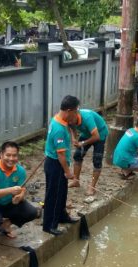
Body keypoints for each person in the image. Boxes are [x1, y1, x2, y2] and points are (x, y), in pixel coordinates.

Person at [0, 141, 38, 239]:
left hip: (8, 204)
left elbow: (22, 190)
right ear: (1, 155)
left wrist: (19, 197)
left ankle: (5, 225)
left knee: (32, 212)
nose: (11, 159)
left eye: (14, 156)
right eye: (8, 155)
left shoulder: (20, 171)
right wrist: (10, 190)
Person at [43, 95, 80, 236]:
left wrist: (72, 137)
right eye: (75, 111)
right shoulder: (58, 128)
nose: (76, 114)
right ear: (69, 110)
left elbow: (68, 128)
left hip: (55, 162)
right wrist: (68, 172)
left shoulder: (59, 119)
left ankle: (62, 216)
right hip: (56, 165)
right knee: (53, 195)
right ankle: (49, 225)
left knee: (62, 193)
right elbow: (61, 156)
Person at [68, 108, 109, 196]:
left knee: (97, 161)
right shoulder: (71, 118)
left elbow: (96, 136)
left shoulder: (87, 118)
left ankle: (92, 187)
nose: (70, 122)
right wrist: (73, 138)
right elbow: (71, 128)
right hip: (87, 133)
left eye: (71, 120)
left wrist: (82, 143)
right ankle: (76, 181)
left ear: (76, 114)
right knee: (77, 156)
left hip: (100, 134)